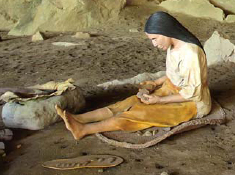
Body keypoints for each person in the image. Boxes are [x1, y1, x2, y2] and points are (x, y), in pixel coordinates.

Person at [56, 11, 210, 140]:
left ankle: (83, 130)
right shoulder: (173, 46)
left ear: (166, 31)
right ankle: (79, 119)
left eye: (154, 39)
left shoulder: (190, 53)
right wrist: (155, 83)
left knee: (140, 112)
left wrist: (160, 100)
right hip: (173, 90)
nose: (154, 44)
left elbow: (192, 92)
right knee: (130, 101)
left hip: (193, 103)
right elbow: (174, 75)